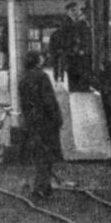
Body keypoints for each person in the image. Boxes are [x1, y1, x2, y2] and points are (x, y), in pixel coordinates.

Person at [18, 51, 63, 198]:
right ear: (38, 61)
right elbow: (48, 100)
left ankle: (42, 186)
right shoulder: (42, 76)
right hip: (45, 121)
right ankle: (42, 187)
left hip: (31, 120)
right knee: (46, 154)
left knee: (38, 154)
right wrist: (57, 118)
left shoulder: (23, 78)